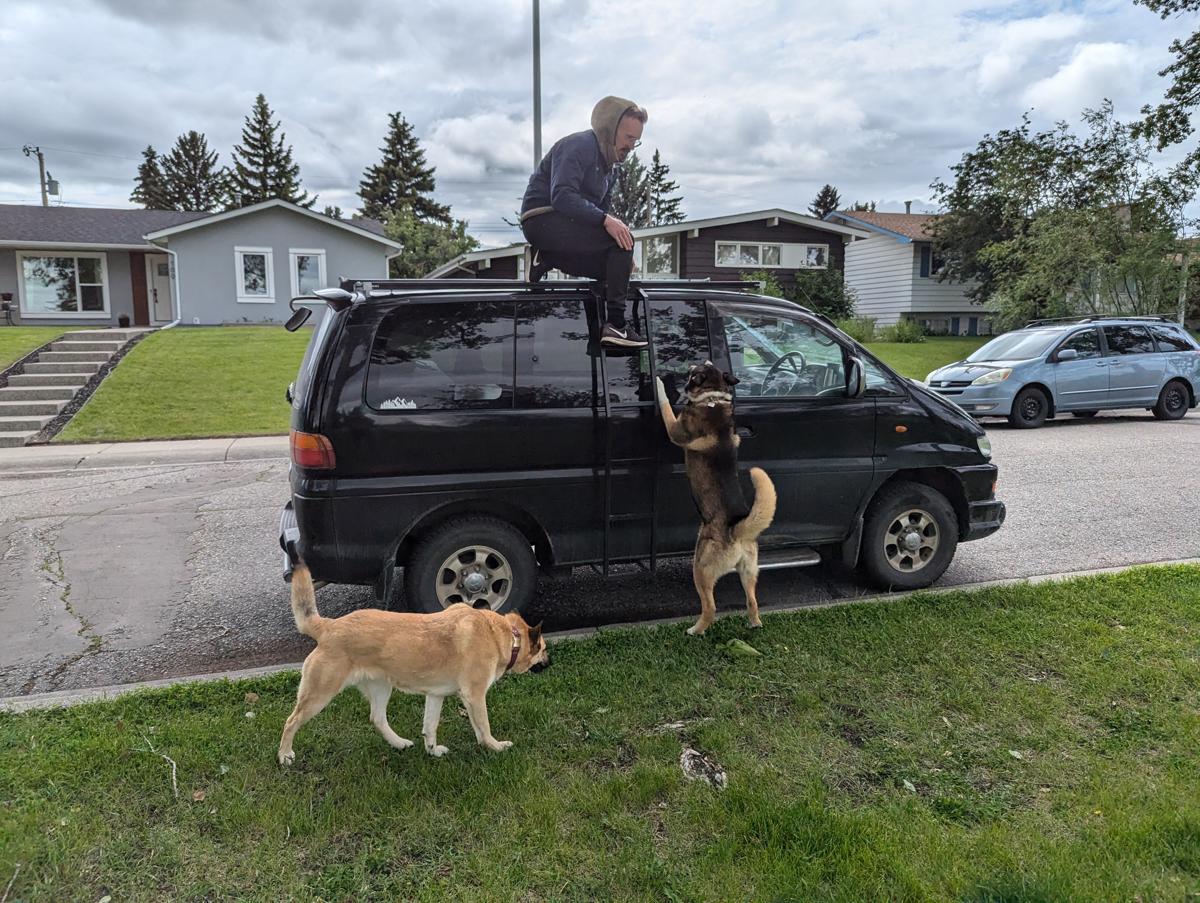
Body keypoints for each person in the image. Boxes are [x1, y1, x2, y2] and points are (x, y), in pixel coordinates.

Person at [520, 95, 649, 348]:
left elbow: (601, 210)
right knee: (622, 240)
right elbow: (562, 196)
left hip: (566, 224)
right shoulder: (578, 145)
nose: (631, 146)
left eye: (637, 140)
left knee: (614, 269)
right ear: (609, 129)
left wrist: (620, 252)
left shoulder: (610, 167)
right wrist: (608, 224)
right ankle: (616, 325)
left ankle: (546, 258)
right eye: (628, 138)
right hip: (542, 218)